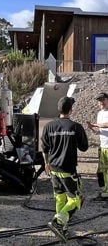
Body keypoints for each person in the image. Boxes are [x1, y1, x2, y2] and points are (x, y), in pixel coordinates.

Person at [42, 96, 89, 242]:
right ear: (71, 110)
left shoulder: (49, 126)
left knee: (60, 198)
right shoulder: (75, 127)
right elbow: (84, 147)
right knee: (76, 200)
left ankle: (62, 228)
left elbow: (45, 148)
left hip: (54, 168)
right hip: (68, 170)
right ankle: (58, 222)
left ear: (59, 109)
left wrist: (46, 163)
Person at [86, 92, 108, 200]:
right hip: (102, 145)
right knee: (101, 171)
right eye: (99, 100)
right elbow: (100, 130)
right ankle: (104, 191)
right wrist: (92, 129)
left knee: (106, 171)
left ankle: (106, 193)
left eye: (103, 100)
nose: (101, 102)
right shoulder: (99, 114)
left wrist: (95, 125)